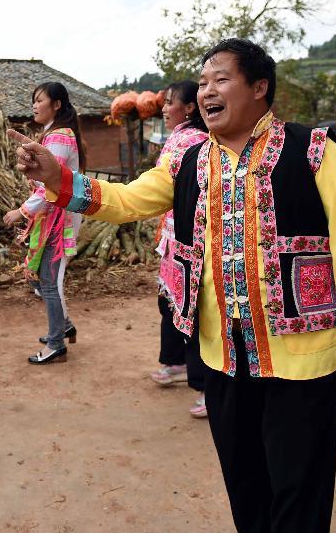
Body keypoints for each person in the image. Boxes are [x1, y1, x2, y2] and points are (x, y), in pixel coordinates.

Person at [12, 38, 336, 532]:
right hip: (222, 355)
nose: (207, 91)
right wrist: (61, 179)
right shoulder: (188, 162)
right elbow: (127, 201)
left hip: (300, 354)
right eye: (203, 82)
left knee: (300, 485)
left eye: (221, 79)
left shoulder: (313, 150)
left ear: (260, 88)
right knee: (244, 480)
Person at [3, 82, 85, 365]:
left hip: (58, 217)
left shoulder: (60, 136)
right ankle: (63, 327)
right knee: (41, 277)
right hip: (52, 215)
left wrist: (22, 211)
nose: (35, 106)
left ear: (57, 104)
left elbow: (53, 184)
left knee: (49, 282)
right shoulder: (53, 135)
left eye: (40, 100)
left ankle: (56, 343)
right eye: (33, 101)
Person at [150, 81, 210, 419]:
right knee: (171, 304)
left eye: (169, 102)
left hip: (191, 242)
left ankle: (207, 388)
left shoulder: (195, 142)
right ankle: (175, 363)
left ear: (189, 108)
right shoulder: (181, 137)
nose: (163, 107)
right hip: (174, 239)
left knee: (192, 312)